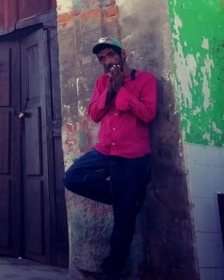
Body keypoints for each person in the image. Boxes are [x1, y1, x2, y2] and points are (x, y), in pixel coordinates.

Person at [63, 37, 157, 280]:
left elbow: (147, 114)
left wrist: (122, 90)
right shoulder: (101, 82)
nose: (106, 62)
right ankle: (124, 200)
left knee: (123, 223)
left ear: (122, 54)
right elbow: (94, 114)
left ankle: (114, 270)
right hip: (105, 150)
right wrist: (109, 90)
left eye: (110, 56)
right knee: (72, 177)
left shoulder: (145, 80)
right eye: (102, 58)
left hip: (132, 156)